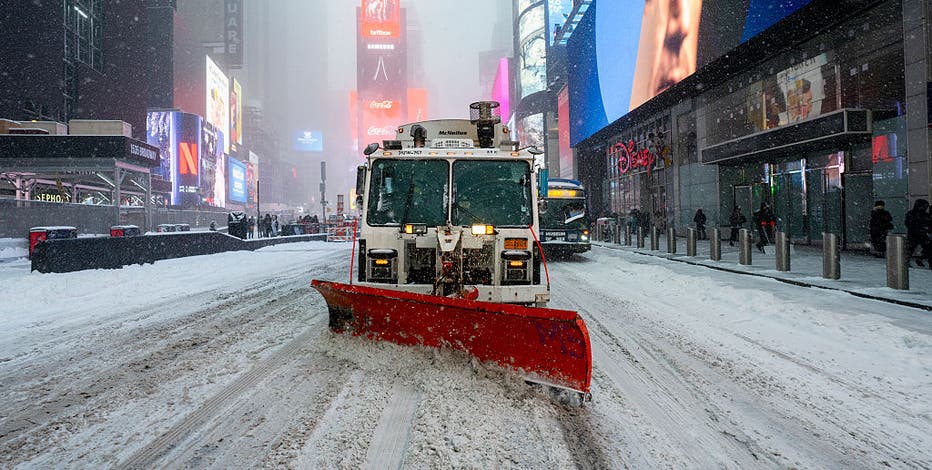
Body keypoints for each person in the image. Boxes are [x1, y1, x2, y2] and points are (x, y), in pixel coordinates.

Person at [905, 199, 931, 267]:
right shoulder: (912, 214)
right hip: (914, 234)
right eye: (924, 206)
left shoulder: (925, 215)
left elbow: (929, 224)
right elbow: (909, 224)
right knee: (910, 249)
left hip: (921, 234)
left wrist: (926, 229)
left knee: (928, 248)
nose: (925, 208)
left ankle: (921, 259)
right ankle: (906, 262)